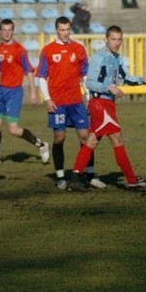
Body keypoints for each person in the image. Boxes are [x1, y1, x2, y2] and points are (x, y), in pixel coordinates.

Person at [68, 25, 146, 190]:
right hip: (100, 104)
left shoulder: (117, 58)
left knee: (92, 141)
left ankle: (75, 176)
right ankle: (131, 179)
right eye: (113, 39)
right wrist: (108, 88)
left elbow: (125, 77)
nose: (116, 42)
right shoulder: (98, 57)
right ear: (106, 39)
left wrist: (142, 80)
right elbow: (90, 82)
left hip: (108, 104)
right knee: (117, 139)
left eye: (119, 39)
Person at [36, 17, 105, 190]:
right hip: (58, 102)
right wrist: (47, 98)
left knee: (85, 137)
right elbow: (42, 77)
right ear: (56, 30)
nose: (65, 33)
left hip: (76, 102)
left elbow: (85, 76)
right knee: (59, 138)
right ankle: (60, 176)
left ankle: (89, 175)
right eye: (62, 30)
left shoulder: (79, 49)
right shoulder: (48, 50)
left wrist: (89, 98)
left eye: (67, 29)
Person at [0, 19, 49, 165]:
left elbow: (28, 71)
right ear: (0, 32)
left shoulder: (19, 50)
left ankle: (41, 145)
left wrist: (33, 92)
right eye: (4, 30)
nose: (7, 32)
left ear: (13, 31)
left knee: (13, 130)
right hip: (1, 91)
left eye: (9, 30)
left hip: (14, 92)